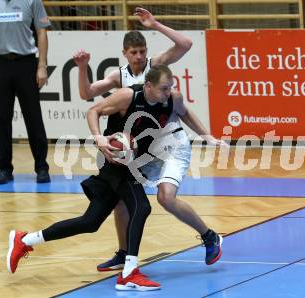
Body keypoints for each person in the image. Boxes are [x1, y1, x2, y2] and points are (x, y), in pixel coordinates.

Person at [74, 8, 223, 271]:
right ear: (125, 54)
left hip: (169, 145)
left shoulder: (157, 70)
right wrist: (83, 67)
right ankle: (123, 253)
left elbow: (186, 46)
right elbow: (87, 94)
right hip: (141, 149)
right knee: (120, 198)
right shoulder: (118, 77)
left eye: (143, 51)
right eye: (134, 52)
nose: (140, 56)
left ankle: (209, 235)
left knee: (165, 198)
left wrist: (155, 23)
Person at [0, 0, 51, 184]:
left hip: (26, 63)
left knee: (33, 117)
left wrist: (42, 66)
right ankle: (4, 168)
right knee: (1, 119)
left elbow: (42, 31)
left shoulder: (32, 1)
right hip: (1, 65)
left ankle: (41, 167)